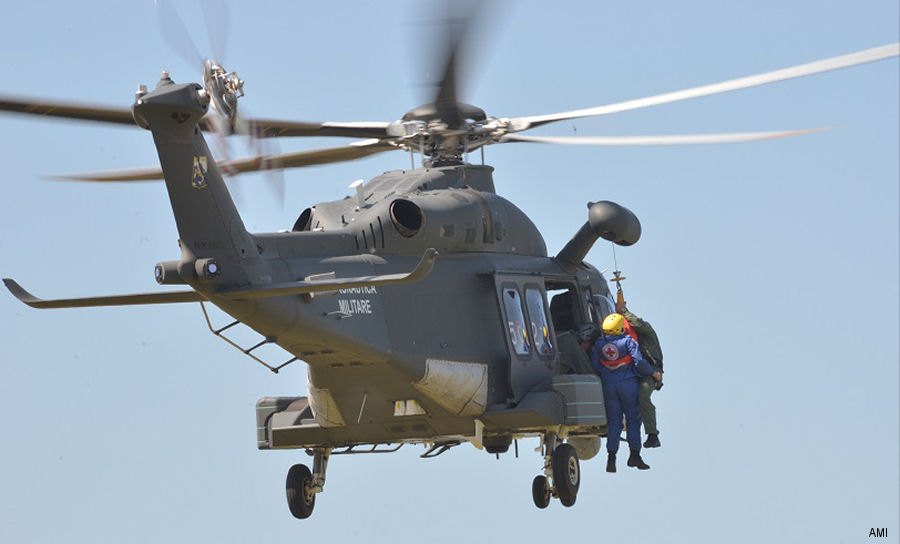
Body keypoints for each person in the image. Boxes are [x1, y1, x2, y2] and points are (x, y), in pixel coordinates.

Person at [592, 313, 661, 472]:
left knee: (614, 422)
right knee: (632, 420)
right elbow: (639, 362)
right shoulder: (628, 342)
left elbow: (595, 365)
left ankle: (611, 458)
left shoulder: (599, 344)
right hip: (628, 385)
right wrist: (652, 373)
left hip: (609, 386)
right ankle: (634, 455)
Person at [617, 301, 664, 448]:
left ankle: (652, 434)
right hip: (632, 370)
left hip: (651, 372)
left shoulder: (647, 331)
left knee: (643, 395)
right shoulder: (625, 339)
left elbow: (637, 322)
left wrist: (622, 310)